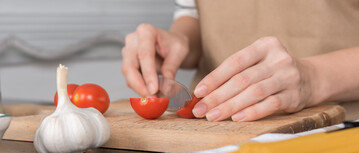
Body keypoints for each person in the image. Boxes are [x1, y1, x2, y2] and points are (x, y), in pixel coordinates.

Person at [121, 0, 359, 122]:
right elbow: (193, 14)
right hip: (216, 136)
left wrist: (312, 79)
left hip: (340, 135)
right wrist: (179, 40)